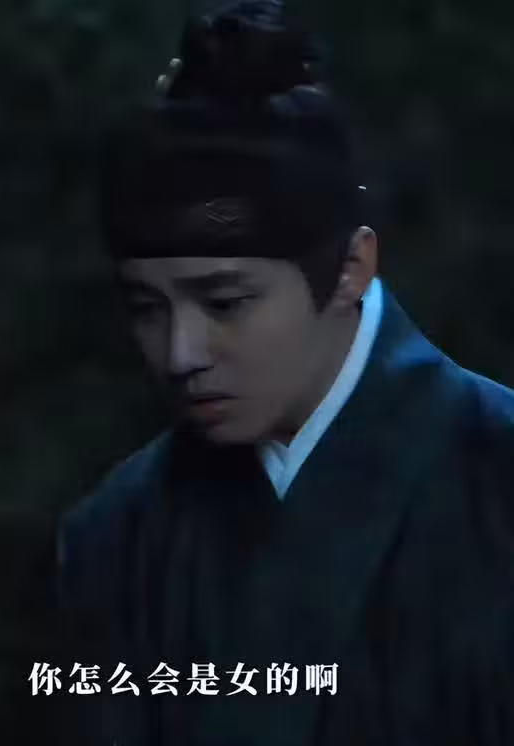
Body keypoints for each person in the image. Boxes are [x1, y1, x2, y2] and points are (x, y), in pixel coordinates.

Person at [57, 2, 514, 744]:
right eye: (147, 308)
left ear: (351, 268)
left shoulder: (496, 477)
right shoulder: (119, 534)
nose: (180, 352)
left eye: (225, 302)